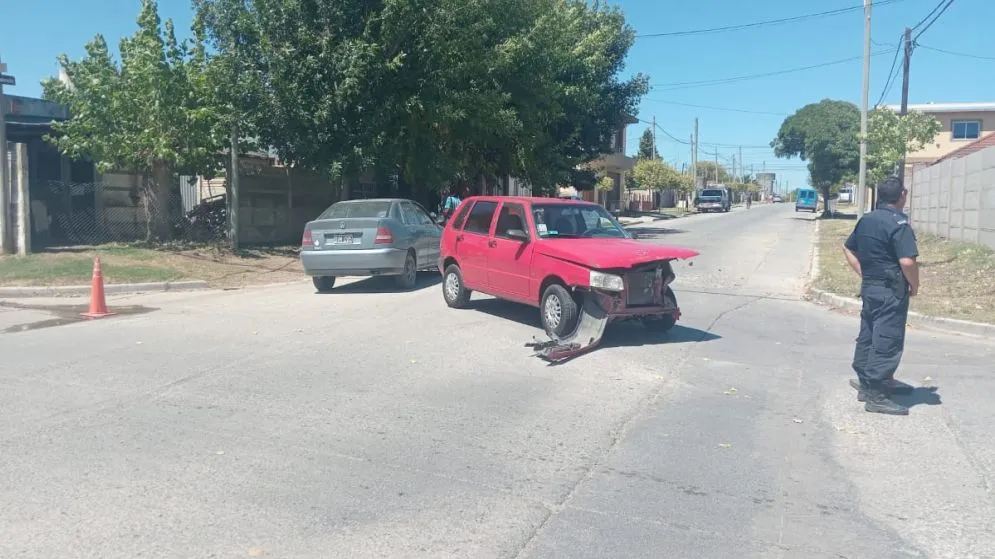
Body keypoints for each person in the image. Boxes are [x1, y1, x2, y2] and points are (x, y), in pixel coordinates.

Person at [842, 176, 919, 415]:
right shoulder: (899, 224)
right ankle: (876, 394)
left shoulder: (867, 219)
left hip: (871, 287)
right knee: (887, 339)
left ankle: (866, 384)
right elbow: (907, 261)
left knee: (869, 334)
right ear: (902, 196)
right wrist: (914, 285)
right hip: (890, 290)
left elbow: (847, 247)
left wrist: (864, 274)